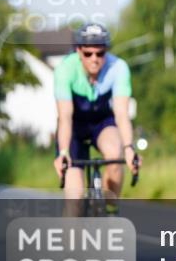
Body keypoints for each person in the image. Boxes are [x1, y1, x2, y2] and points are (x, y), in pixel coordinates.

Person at [52, 22, 138, 212]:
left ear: (106, 51)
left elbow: (122, 114)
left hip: (102, 123)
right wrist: (63, 153)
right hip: (73, 126)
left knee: (116, 156)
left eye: (100, 53)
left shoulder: (118, 67)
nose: (94, 59)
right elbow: (65, 117)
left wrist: (129, 148)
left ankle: (109, 208)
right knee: (74, 199)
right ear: (78, 51)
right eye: (88, 54)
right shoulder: (65, 70)